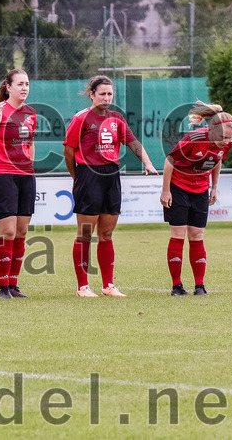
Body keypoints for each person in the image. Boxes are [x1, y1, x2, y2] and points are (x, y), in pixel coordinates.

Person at [64, 75, 157, 298]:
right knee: (86, 233)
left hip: (111, 176)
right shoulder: (81, 118)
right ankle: (83, 287)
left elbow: (133, 142)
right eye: (102, 94)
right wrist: (78, 176)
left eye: (110, 94)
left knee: (106, 233)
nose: (107, 98)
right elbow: (68, 151)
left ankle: (108, 285)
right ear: (92, 94)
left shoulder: (116, 118)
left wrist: (147, 162)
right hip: (88, 175)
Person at [160, 102, 232, 296]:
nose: (226, 142)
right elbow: (170, 161)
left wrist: (214, 187)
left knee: (197, 236)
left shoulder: (227, 142)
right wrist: (166, 191)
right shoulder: (193, 138)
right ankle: (177, 286)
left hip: (201, 190)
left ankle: (199, 286)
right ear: (211, 130)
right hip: (179, 187)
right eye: (223, 137)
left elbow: (217, 161)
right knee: (178, 235)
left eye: (230, 138)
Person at [0, 69, 36, 299]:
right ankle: (2, 287)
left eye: (27, 84)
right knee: (8, 232)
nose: (24, 88)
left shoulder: (31, 113)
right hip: (1, 174)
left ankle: (13, 285)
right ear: (8, 87)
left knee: (22, 231)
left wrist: (29, 165)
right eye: (20, 84)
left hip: (25, 176)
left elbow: (30, 144)